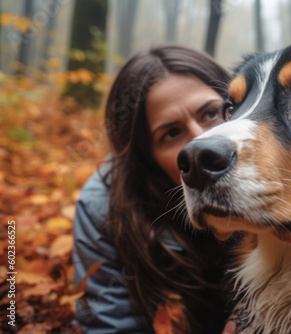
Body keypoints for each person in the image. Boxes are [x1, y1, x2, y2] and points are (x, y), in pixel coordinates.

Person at [72, 46, 236, 333]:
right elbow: (110, 327)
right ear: (146, 159)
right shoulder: (103, 207)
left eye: (212, 113)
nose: (202, 141)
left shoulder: (289, 167)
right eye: (171, 133)